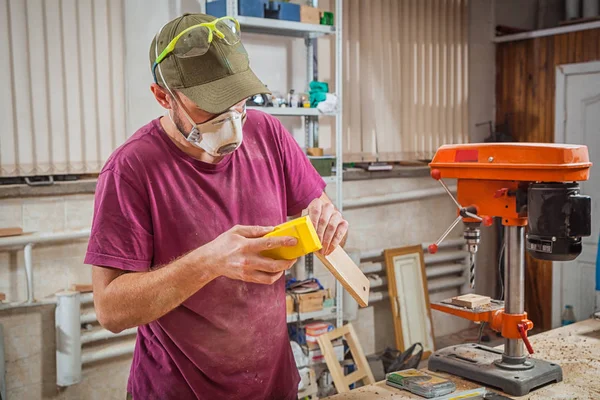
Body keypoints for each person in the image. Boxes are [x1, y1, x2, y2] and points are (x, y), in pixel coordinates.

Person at [85, 13, 349, 400]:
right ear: (163, 96)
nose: (232, 120)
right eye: (210, 106)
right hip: (178, 391)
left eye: (238, 100)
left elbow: (319, 205)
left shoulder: (268, 133)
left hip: (273, 386)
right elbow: (110, 310)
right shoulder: (131, 168)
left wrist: (328, 221)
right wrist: (210, 261)